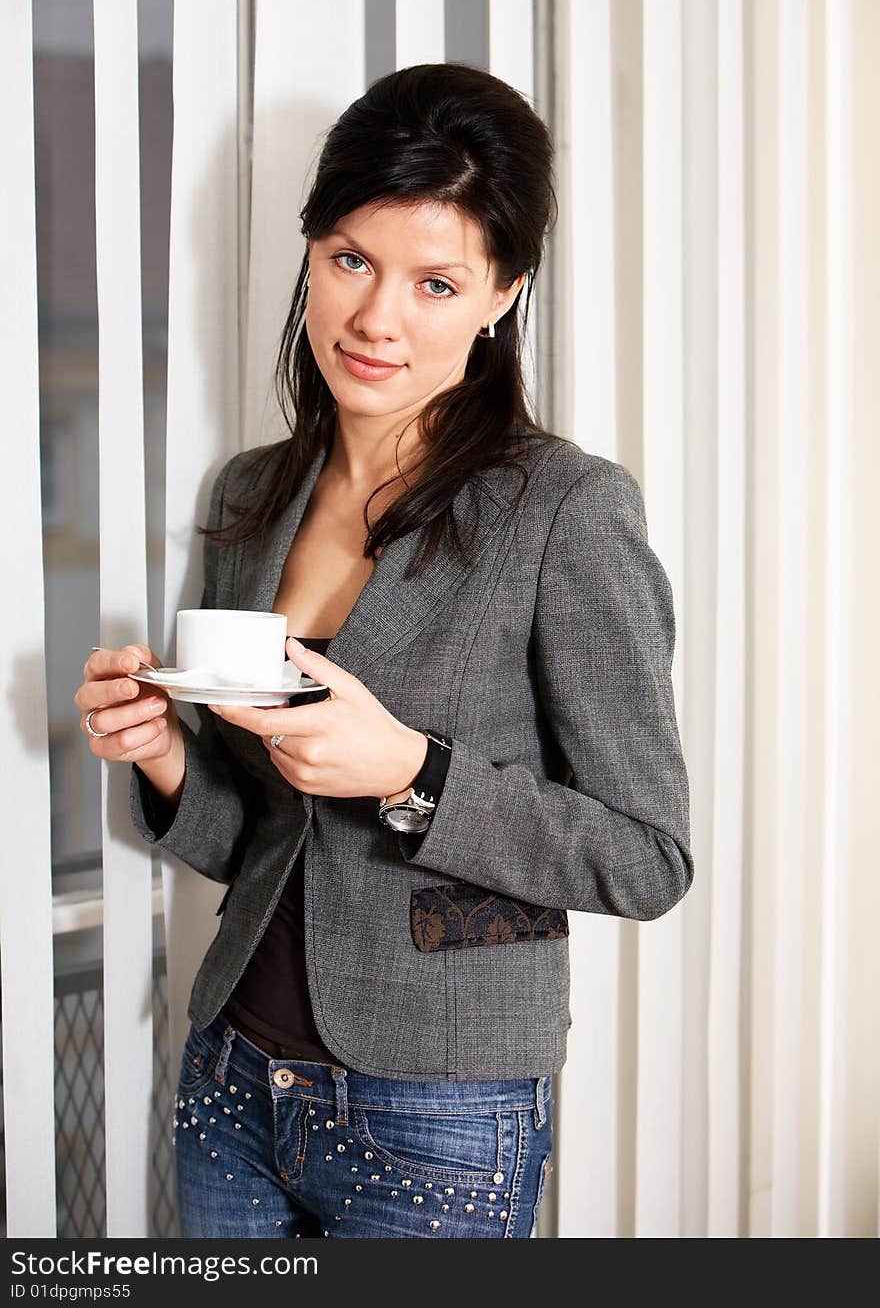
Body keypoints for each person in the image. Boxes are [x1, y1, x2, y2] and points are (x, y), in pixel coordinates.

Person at [73, 62, 692, 1239]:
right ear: (310, 249)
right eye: (352, 258)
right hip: (232, 1080)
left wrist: (414, 770)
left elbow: (647, 856)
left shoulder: (565, 510)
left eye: (436, 281)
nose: (376, 318)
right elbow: (264, 840)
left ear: (502, 294)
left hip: (438, 1111)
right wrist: (159, 755)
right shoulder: (252, 494)